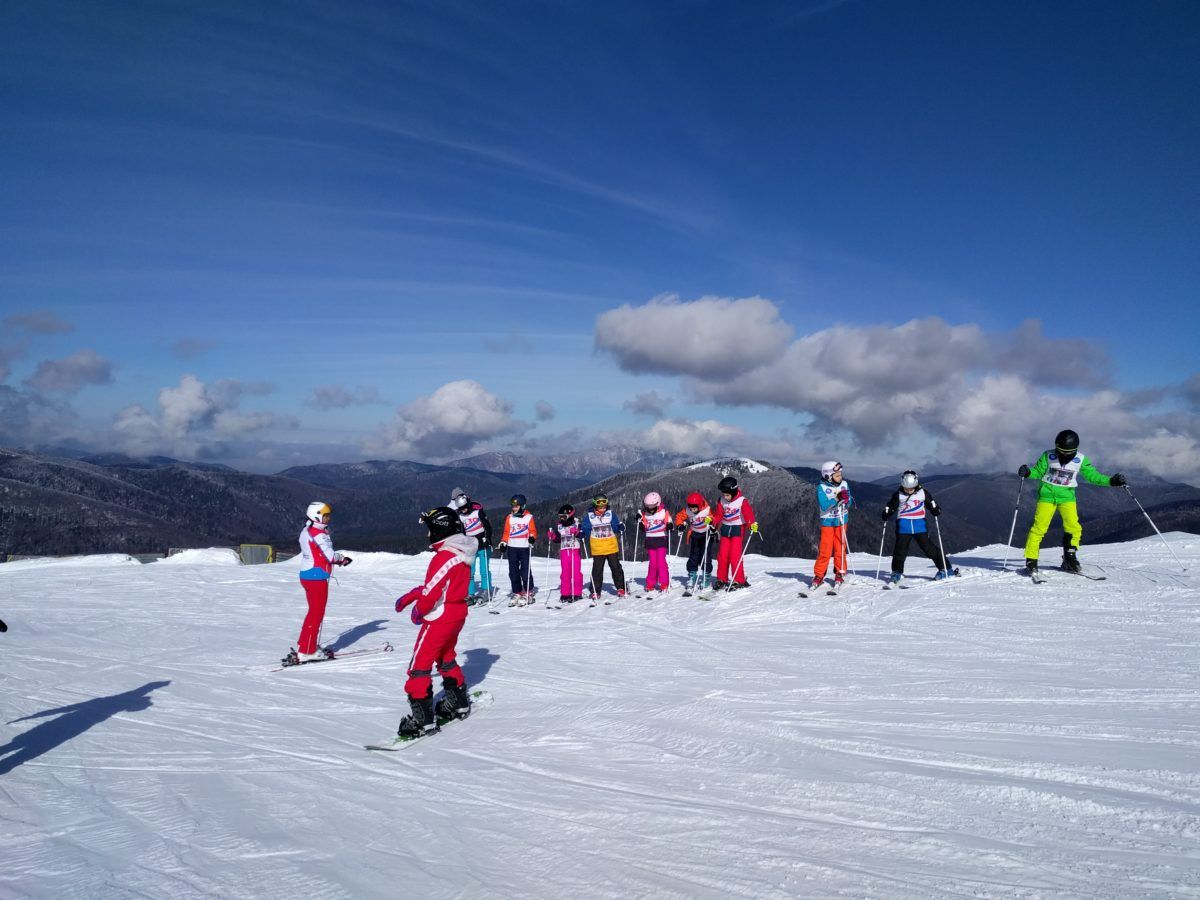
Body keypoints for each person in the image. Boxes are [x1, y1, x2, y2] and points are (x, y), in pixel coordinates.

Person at [393, 507, 476, 739]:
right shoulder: (461, 553)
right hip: (457, 613)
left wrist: (419, 609)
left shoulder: (444, 556)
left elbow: (432, 594)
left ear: (440, 530)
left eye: (430, 529)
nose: (428, 535)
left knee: (419, 665)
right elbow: (445, 586)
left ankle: (422, 720)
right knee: (446, 657)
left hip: (440, 617)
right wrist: (414, 594)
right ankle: (458, 703)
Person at [1018, 429, 1125, 574]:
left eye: (1068, 452)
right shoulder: (1048, 455)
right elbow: (1038, 471)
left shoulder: (1080, 460)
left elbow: (1092, 476)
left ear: (1075, 450)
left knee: (1073, 528)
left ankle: (1069, 557)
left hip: (1067, 498)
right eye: (1061, 451)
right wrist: (1028, 472)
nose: (1064, 455)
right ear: (1056, 447)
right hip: (1047, 497)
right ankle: (1031, 559)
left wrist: (1112, 481)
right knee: (1039, 528)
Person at [289, 501, 352, 664]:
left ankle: (305, 645)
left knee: (313, 612)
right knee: (316, 613)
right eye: (325, 516)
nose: (328, 519)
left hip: (307, 574)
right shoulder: (319, 534)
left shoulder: (307, 530)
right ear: (317, 516)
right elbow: (330, 556)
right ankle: (307, 651)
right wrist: (342, 559)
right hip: (316, 577)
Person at [881, 470, 950, 582]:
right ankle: (896, 572)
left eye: (911, 488)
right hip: (904, 526)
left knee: (929, 549)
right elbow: (891, 506)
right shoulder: (898, 494)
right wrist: (886, 513)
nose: (909, 490)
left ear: (916, 484)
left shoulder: (923, 493)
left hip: (919, 525)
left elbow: (931, 503)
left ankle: (946, 569)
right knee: (900, 550)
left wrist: (935, 510)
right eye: (906, 488)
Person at [810, 461, 852, 591]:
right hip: (828, 522)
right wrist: (837, 498)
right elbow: (824, 505)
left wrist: (846, 499)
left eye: (840, 474)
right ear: (828, 476)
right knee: (825, 550)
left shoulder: (844, 484)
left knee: (840, 547)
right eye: (837, 475)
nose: (840, 477)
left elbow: (849, 502)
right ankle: (819, 575)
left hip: (841, 521)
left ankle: (840, 572)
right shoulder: (821, 488)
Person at [711, 475, 757, 590]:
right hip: (726, 529)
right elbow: (718, 515)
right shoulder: (721, 500)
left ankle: (739, 579)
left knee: (735, 556)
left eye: (727, 494)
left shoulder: (742, 501)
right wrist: (713, 522)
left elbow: (748, 514)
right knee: (722, 555)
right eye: (723, 494)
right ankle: (722, 579)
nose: (725, 497)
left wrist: (752, 524)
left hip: (737, 529)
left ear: (733, 491)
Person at [450, 487, 494, 604]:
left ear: (468, 504)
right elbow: (462, 532)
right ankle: (470, 593)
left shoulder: (477, 512)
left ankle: (486, 590)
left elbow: (488, 527)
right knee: (469, 572)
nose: (463, 510)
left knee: (484, 570)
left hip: (483, 545)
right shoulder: (460, 516)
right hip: (470, 547)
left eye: (464, 508)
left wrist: (487, 539)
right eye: (461, 509)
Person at [582, 493, 626, 600]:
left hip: (611, 546)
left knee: (616, 567)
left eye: (604, 505)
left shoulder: (610, 514)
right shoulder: (589, 516)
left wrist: (620, 527)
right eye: (600, 506)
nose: (602, 508)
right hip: (598, 548)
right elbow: (586, 529)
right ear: (595, 505)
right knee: (597, 570)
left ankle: (620, 587)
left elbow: (615, 526)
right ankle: (595, 590)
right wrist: (582, 532)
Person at [498, 494, 537, 605]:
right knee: (513, 572)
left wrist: (532, 538)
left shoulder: (529, 517)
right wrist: (503, 542)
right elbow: (506, 532)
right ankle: (517, 592)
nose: (514, 508)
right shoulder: (509, 518)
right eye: (513, 506)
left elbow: (533, 531)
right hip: (512, 548)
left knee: (525, 572)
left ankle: (529, 591)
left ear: (522, 506)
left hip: (524, 548)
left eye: (516, 506)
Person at [679, 491, 715, 592]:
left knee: (706, 556)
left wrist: (710, 520)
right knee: (693, 556)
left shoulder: (706, 510)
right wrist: (680, 525)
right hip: (695, 535)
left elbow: (714, 518)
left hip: (706, 535)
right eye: (690, 507)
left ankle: (706, 577)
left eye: (694, 508)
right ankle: (692, 576)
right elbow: (679, 517)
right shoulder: (688, 511)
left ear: (699, 505)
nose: (692, 510)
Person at [547, 503, 584, 602]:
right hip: (564, 552)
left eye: (564, 516)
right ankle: (565, 593)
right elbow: (558, 539)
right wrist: (553, 537)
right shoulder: (559, 526)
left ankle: (577, 593)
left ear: (570, 515)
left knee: (576, 573)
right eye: (560, 517)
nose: (562, 519)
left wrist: (576, 532)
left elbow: (582, 535)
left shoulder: (577, 523)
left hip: (575, 551)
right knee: (565, 574)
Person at [638, 492, 672, 593]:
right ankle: (651, 583)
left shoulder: (663, 512)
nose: (650, 509)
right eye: (648, 506)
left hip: (661, 538)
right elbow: (644, 524)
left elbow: (669, 521)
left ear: (657, 504)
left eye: (652, 506)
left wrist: (670, 525)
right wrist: (640, 523)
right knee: (653, 563)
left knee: (661, 562)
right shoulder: (645, 513)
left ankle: (664, 582)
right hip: (650, 540)